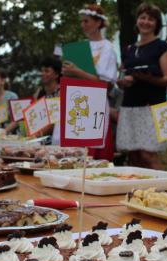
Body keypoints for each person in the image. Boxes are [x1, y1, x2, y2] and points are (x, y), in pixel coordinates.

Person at [116, 3, 167, 169]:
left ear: (156, 24)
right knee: (133, 154)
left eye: (151, 19)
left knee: (148, 154)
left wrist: (147, 78)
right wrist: (122, 81)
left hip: (152, 107)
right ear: (137, 21)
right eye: (142, 17)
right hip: (129, 106)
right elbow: (121, 76)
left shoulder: (162, 47)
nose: (146, 22)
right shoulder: (129, 49)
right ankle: (142, 193)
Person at [61, 4, 118, 161]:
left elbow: (106, 84)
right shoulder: (81, 47)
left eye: (86, 21)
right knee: (75, 154)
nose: (82, 25)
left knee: (94, 155)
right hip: (78, 102)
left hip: (95, 104)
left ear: (98, 23)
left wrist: (77, 71)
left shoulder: (107, 48)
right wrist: (68, 73)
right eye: (82, 21)